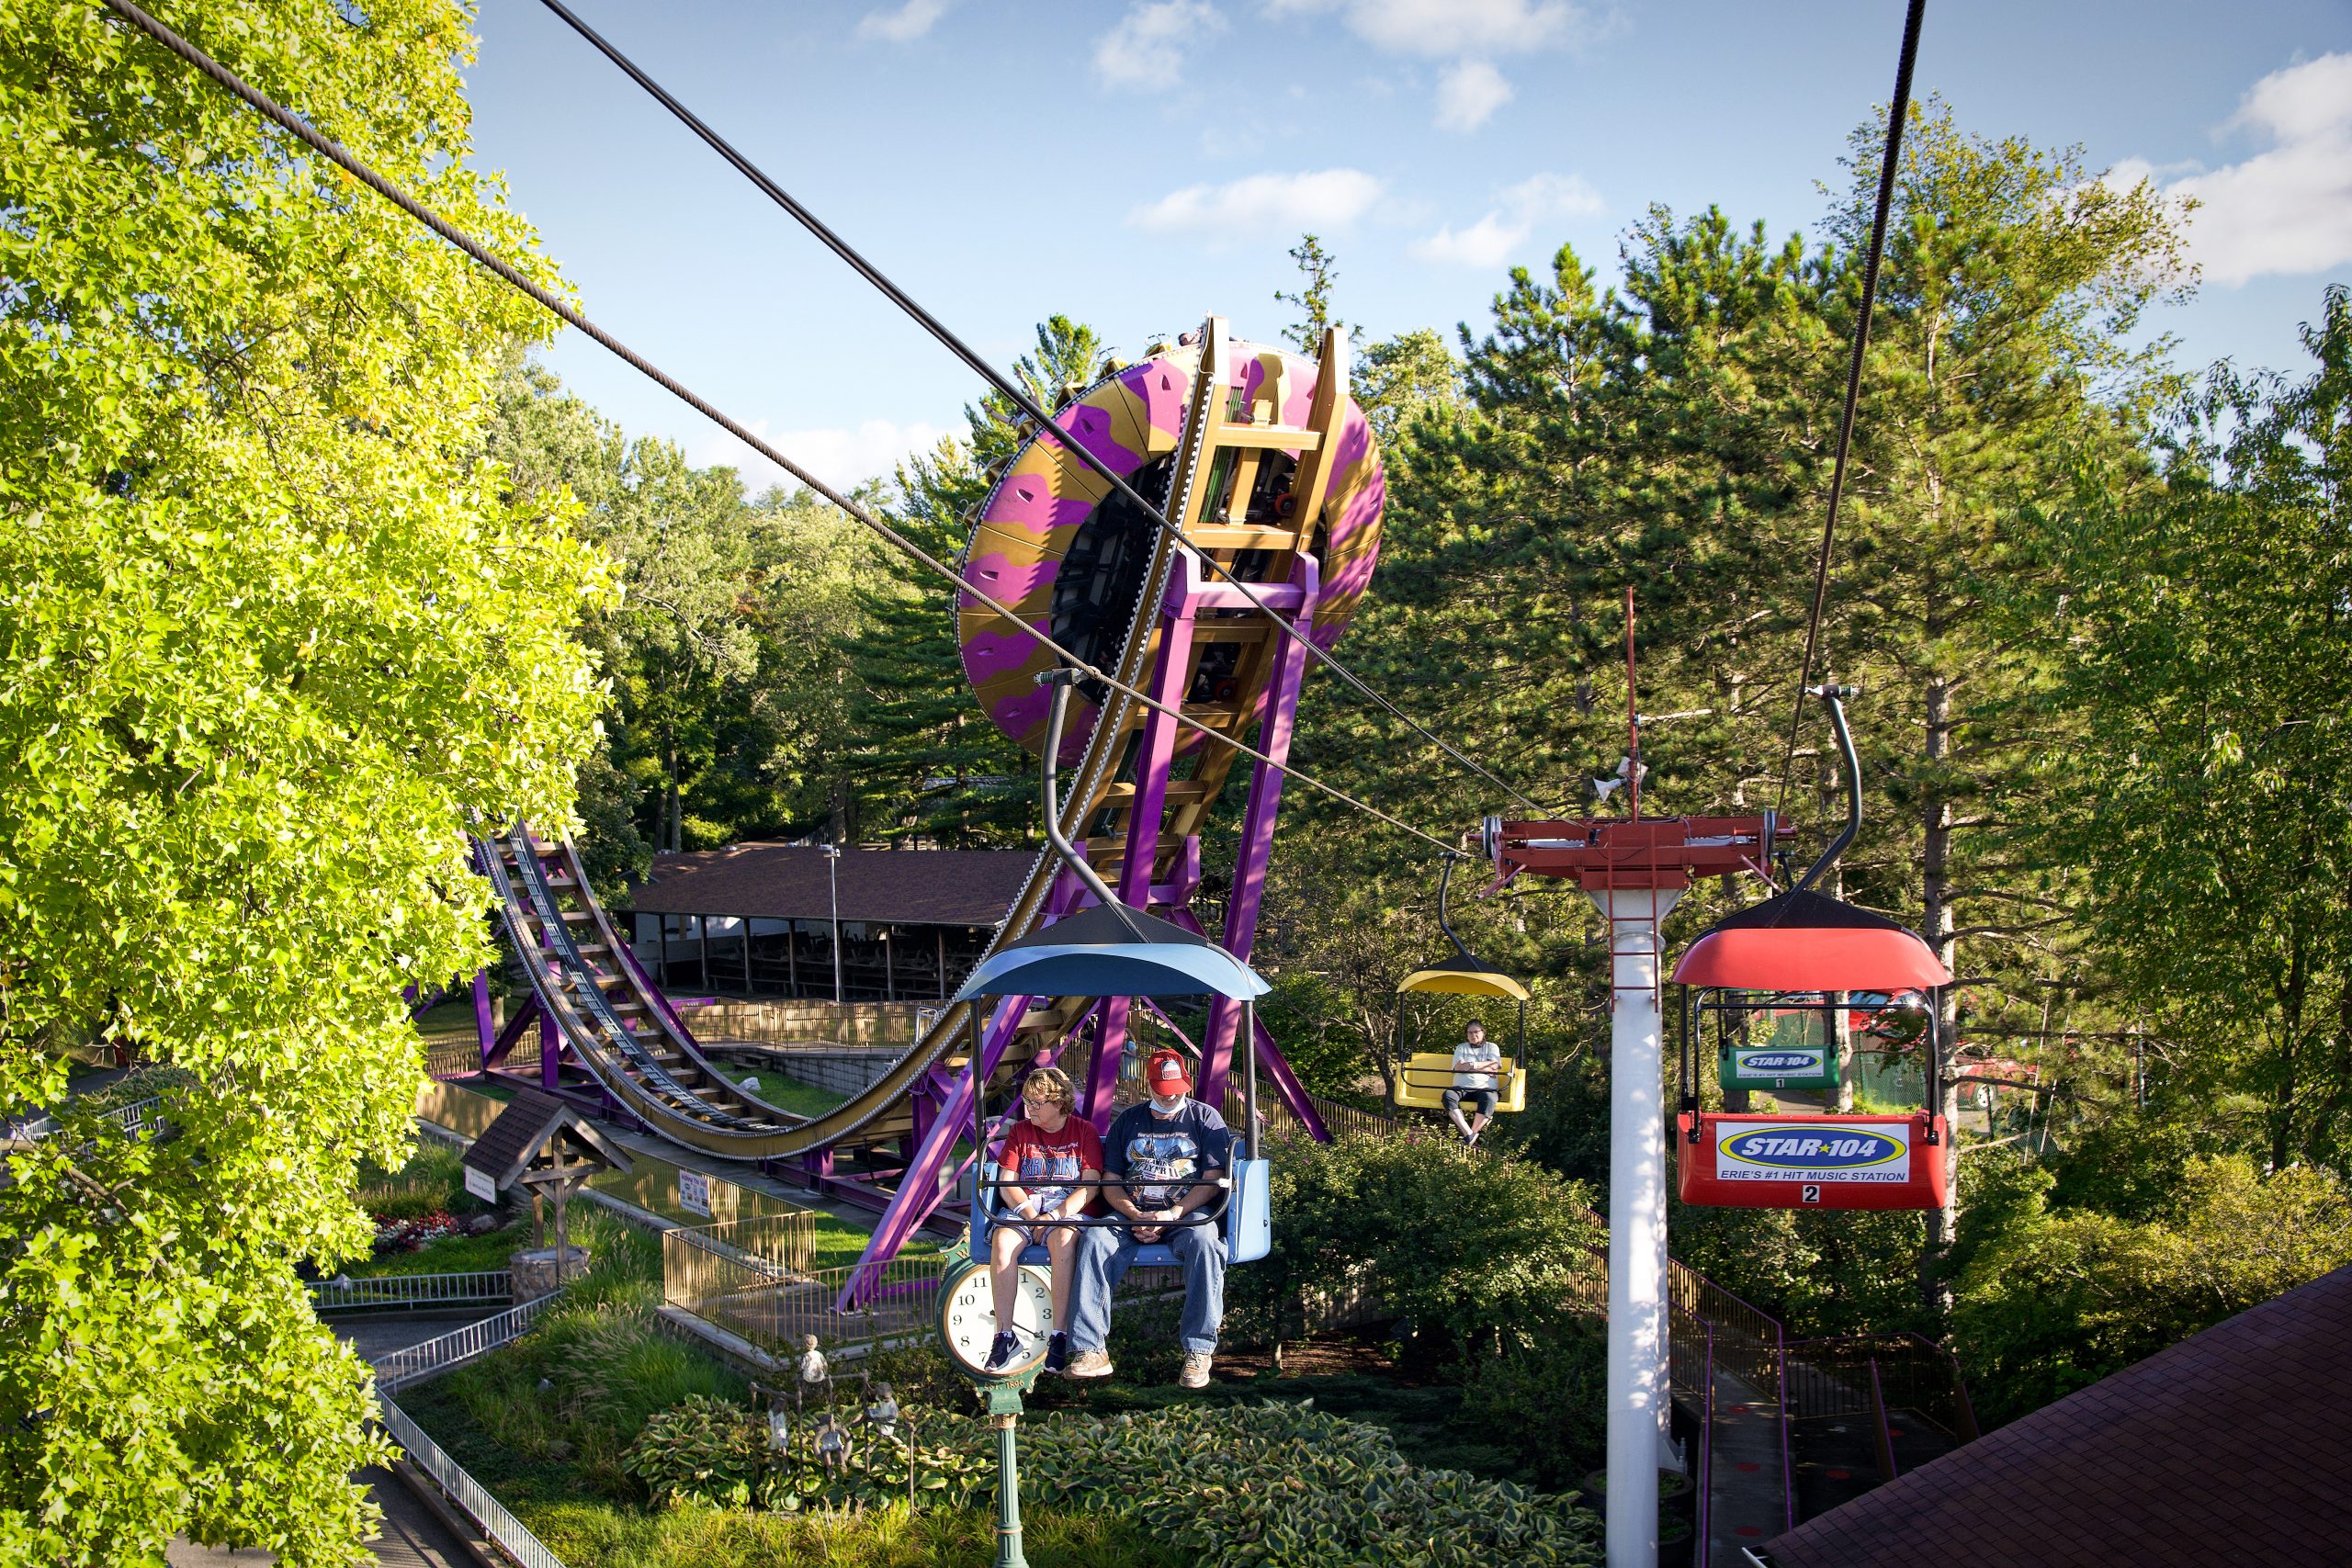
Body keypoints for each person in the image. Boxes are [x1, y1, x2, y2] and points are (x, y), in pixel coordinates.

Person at [1066, 1047, 1232, 1389]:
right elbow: (1111, 1179)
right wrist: (1133, 1214)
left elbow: (1213, 1179)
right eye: (1163, 1091)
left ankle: (1199, 1349)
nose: (1171, 1098)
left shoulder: (1205, 1119)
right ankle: (1089, 1348)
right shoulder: (1129, 1121)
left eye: (1177, 1091)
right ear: (1150, 1086)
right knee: (1096, 1239)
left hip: (1184, 1213)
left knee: (1204, 1240)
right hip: (1133, 1212)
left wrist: (1172, 1214)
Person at [983, 1066, 1103, 1374]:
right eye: (1027, 1101)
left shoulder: (1084, 1132)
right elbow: (1006, 1181)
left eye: (1036, 1103)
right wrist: (1030, 1215)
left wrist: (1053, 1216)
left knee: (1063, 1238)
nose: (1029, 1109)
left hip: (1064, 1209)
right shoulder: (1021, 1132)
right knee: (1003, 1239)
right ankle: (1004, 1335)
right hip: (1028, 1207)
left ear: (1059, 1103)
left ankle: (1060, 1333)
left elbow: (1090, 1186)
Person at [1443, 1021, 1502, 1145]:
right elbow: (1458, 1067)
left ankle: (1471, 1134)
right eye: (1470, 1032)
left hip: (1485, 1088)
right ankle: (1468, 1132)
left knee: (1489, 1098)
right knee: (1448, 1095)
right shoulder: (1461, 1047)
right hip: (1461, 1087)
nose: (1473, 1035)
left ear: (1483, 1032)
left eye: (1476, 1032)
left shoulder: (1492, 1047)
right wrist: (1485, 1068)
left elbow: (1494, 1065)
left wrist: (1471, 1065)